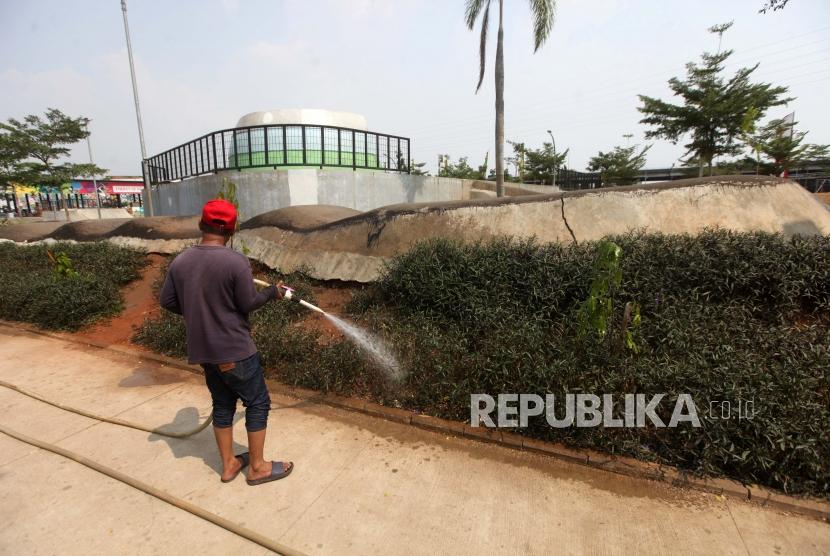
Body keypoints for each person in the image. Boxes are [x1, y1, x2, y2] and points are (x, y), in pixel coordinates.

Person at [160, 199, 294, 485]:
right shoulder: (234, 261)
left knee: (223, 405)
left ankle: (229, 464)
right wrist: (273, 292)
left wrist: (199, 312)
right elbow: (247, 302)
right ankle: (257, 467)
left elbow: (168, 301)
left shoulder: (181, 261)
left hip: (204, 353)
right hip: (234, 349)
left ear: (201, 224)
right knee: (258, 403)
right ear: (232, 230)